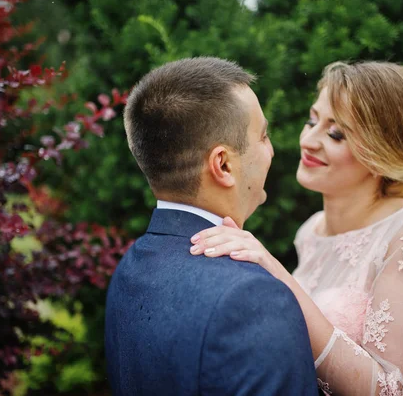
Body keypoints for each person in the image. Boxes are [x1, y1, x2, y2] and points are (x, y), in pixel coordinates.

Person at [190, 61, 403, 395]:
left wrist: (277, 273)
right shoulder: (311, 231)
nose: (309, 140)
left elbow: (392, 391)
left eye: (336, 133)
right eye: (312, 120)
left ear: (382, 151)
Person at [104, 57, 319, 395]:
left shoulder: (131, 269)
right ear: (222, 164)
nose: (273, 151)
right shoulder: (253, 300)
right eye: (263, 136)